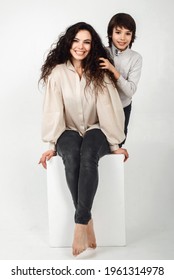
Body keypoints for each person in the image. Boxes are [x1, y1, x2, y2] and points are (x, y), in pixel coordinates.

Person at [38, 22, 129, 256]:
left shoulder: (99, 72)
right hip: (67, 129)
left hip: (96, 128)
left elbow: (108, 109)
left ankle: (80, 224)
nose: (81, 46)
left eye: (87, 41)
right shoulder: (57, 73)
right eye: (76, 40)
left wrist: (114, 145)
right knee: (71, 155)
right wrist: (51, 146)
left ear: (93, 45)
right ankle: (87, 220)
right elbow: (53, 110)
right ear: (68, 43)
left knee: (88, 153)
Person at [99, 13, 142, 145]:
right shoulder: (102, 52)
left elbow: (130, 91)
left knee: (117, 146)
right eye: (118, 32)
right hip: (102, 107)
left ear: (132, 36)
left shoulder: (136, 58)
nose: (123, 38)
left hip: (123, 108)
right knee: (97, 144)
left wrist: (113, 70)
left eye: (128, 33)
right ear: (111, 33)